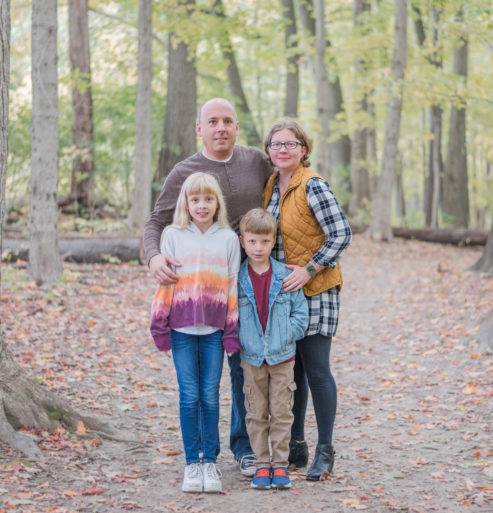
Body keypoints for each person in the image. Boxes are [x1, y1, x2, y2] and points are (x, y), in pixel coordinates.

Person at [143, 98, 272, 476]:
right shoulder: (185, 171)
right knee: (213, 375)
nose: (221, 128)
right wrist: (154, 257)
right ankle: (207, 455)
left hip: (254, 283)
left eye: (227, 121)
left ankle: (245, 445)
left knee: (246, 368)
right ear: (199, 128)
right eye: (212, 121)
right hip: (205, 294)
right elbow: (157, 222)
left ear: (236, 127)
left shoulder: (256, 162)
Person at [261, 119, 352, 481]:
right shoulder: (270, 186)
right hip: (285, 293)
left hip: (316, 288)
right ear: (268, 150)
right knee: (292, 371)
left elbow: (342, 233)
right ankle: (295, 446)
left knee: (316, 368)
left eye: (290, 144)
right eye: (276, 144)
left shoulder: (312, 185)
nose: (282, 149)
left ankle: (325, 451)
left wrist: (310, 269)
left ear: (304, 149)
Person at [150, 172, 241, 493]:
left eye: (208, 199)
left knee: (211, 395)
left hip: (215, 331)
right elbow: (164, 287)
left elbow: (231, 287)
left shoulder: (229, 239)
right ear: (185, 203)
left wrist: (231, 332)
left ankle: (210, 462)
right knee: (190, 396)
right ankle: (193, 463)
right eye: (195, 199)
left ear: (217, 203)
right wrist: (159, 324)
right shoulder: (173, 236)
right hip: (181, 330)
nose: (201, 205)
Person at [236, 208, 308, 490]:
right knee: (255, 412)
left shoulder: (284, 275)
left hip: (282, 357)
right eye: (252, 241)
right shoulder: (238, 278)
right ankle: (261, 465)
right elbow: (232, 315)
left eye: (264, 242)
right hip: (251, 358)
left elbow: (300, 315)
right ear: (243, 241)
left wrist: (286, 336)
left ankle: (280, 465)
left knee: (281, 412)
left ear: (273, 240)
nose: (258, 247)